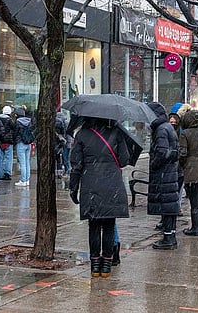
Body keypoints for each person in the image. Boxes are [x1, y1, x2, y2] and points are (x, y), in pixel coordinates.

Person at [68, 117, 130, 278]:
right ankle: (107, 266)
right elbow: (123, 160)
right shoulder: (116, 133)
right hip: (112, 184)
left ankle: (95, 265)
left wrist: (73, 188)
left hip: (91, 184)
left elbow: (76, 165)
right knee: (109, 225)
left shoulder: (82, 135)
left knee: (94, 225)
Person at [147, 102, 180, 250]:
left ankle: (168, 237)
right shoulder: (167, 127)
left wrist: (154, 164)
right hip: (170, 172)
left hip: (164, 173)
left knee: (166, 206)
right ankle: (170, 235)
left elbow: (163, 152)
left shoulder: (161, 129)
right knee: (170, 205)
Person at [14, 107, 34, 187]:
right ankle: (27, 180)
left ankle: (23, 180)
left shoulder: (17, 122)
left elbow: (15, 133)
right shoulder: (29, 121)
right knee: (27, 162)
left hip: (20, 143)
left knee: (22, 163)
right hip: (28, 143)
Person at [0, 106, 16, 181]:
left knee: (0, 158)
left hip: (0, 141)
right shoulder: (10, 120)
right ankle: (7, 173)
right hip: (8, 141)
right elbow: (14, 129)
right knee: (8, 158)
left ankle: (1, 173)